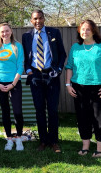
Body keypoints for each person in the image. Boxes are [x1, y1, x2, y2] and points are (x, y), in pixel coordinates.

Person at [65, 20, 101, 157]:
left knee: (99, 117)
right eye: (82, 29)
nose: (85, 32)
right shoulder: (75, 48)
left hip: (99, 87)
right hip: (79, 87)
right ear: (79, 31)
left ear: (94, 31)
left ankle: (100, 148)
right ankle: (85, 146)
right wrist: (68, 84)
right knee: (83, 117)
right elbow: (69, 67)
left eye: (88, 29)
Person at [22, 10, 67, 153]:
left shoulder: (54, 33)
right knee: (39, 110)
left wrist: (58, 69)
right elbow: (25, 56)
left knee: (52, 110)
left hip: (51, 75)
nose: (38, 21)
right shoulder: (26, 36)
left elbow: (62, 54)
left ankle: (53, 141)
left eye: (40, 18)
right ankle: (43, 140)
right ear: (31, 20)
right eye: (35, 19)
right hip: (35, 76)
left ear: (44, 18)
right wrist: (28, 71)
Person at [0, 23, 25, 151]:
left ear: (11, 31)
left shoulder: (17, 46)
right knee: (5, 112)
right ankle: (9, 139)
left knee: (17, 112)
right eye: (2, 32)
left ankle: (19, 137)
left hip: (14, 83)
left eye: (7, 31)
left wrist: (13, 84)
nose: (5, 33)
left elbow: (20, 66)